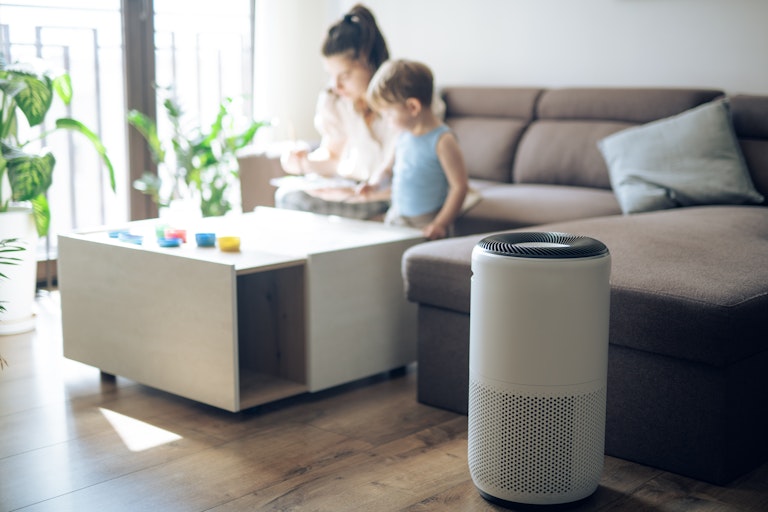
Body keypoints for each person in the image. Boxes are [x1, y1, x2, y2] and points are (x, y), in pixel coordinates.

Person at [276, 4, 396, 220]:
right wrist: (304, 161)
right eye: (331, 75)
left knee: (292, 200)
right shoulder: (335, 102)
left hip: (381, 195)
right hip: (348, 187)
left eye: (345, 75)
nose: (336, 85)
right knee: (287, 194)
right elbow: (334, 157)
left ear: (371, 62)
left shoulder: (399, 105)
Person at [360, 59, 468, 240]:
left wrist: (440, 223)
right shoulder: (401, 136)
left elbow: (459, 187)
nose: (385, 120)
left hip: (426, 221)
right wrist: (374, 183)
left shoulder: (443, 140)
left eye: (388, 113)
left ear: (412, 107)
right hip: (397, 215)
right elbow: (386, 168)